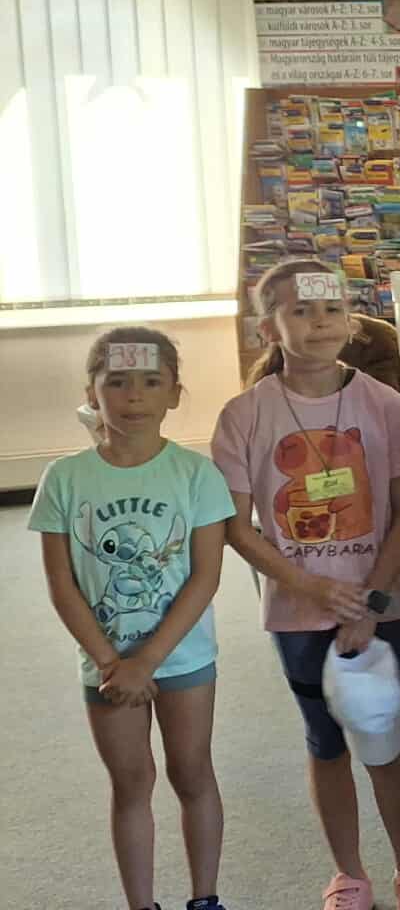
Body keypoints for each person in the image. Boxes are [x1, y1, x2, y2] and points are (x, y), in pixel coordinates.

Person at [211, 261, 400, 910]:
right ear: (268, 328)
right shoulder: (243, 415)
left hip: (378, 604)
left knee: (383, 737)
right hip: (295, 612)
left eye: (332, 309)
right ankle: (349, 873)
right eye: (301, 311)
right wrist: (308, 586)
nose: (319, 322)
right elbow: (236, 525)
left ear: (351, 320)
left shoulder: (385, 405)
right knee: (325, 740)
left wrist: (370, 601)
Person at [32, 327, 232, 910]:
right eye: (117, 382)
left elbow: (205, 576)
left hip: (183, 658)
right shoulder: (64, 479)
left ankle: (205, 898)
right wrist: (110, 661)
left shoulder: (197, 475)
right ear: (91, 394)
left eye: (150, 381)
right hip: (107, 667)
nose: (134, 395)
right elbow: (61, 584)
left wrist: (149, 659)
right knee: (130, 784)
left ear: (174, 393)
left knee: (192, 773)